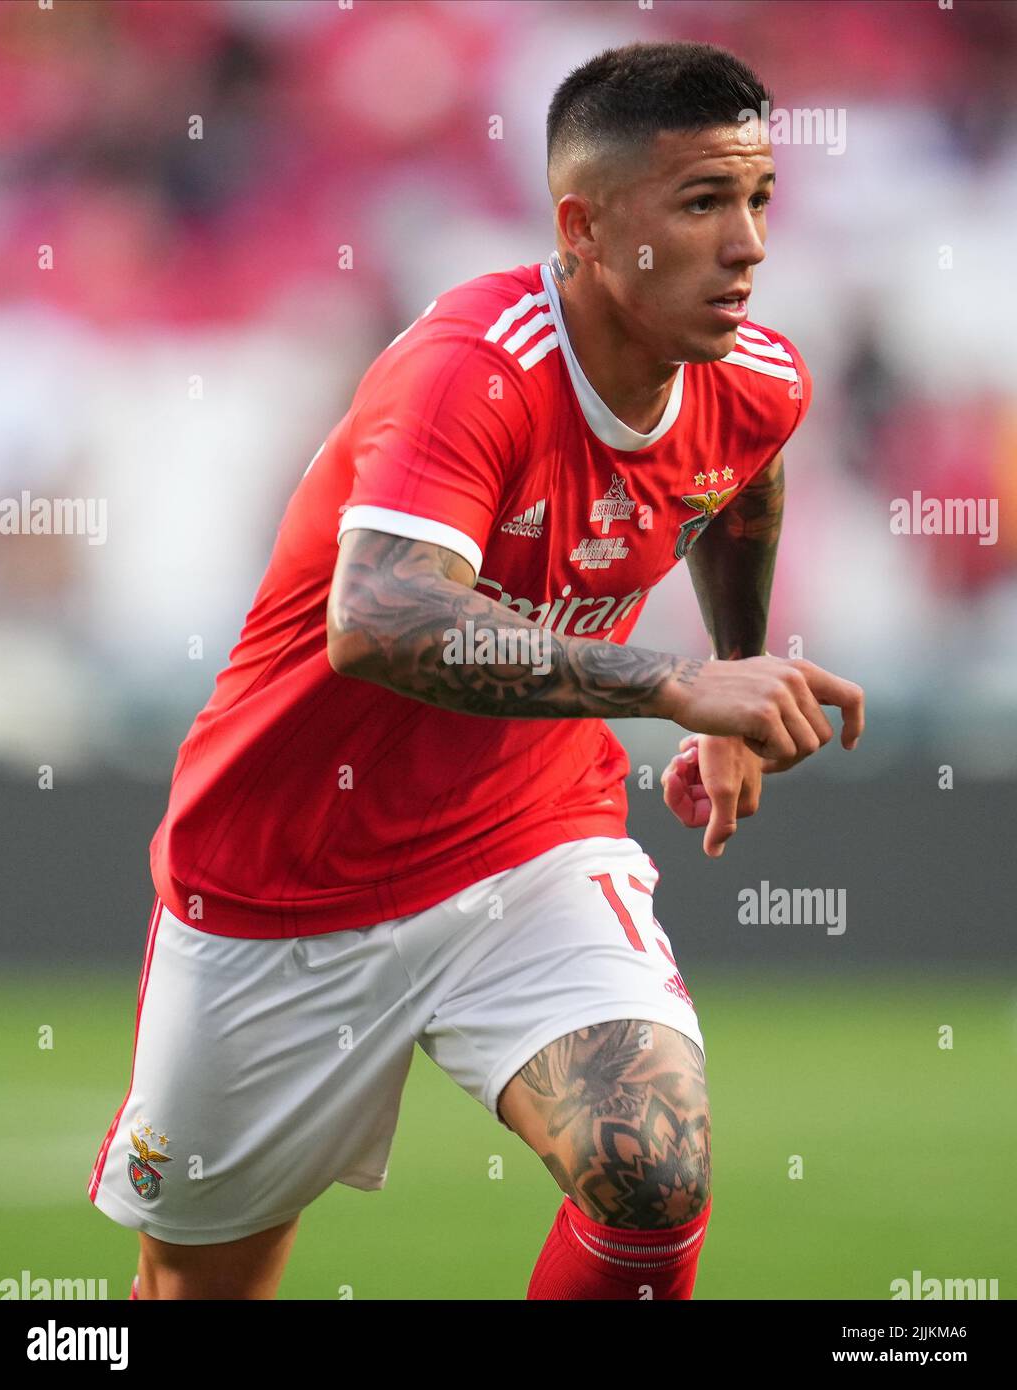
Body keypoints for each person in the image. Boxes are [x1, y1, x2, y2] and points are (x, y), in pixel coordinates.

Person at [88, 40, 863, 1301]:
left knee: (651, 1165)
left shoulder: (753, 380)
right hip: (281, 876)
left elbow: (738, 477)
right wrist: (676, 687)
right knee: (196, 1291)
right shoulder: (474, 367)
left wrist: (736, 669)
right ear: (586, 225)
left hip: (524, 842)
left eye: (758, 198)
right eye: (703, 202)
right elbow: (382, 618)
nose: (748, 244)